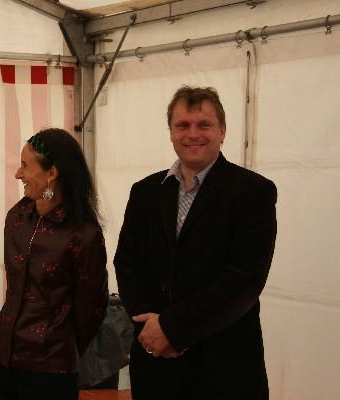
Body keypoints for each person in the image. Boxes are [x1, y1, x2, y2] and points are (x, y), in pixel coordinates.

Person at [114, 86, 277, 399]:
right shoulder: (145, 192)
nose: (193, 134)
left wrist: (172, 329)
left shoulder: (253, 192)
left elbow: (243, 279)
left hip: (224, 367)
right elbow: (127, 263)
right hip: (156, 364)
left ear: (222, 131)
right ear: (171, 132)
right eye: (183, 125)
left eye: (204, 125)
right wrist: (150, 328)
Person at [0, 128, 109, 400]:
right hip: (4, 360)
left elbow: (92, 309)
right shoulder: (17, 217)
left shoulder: (83, 234)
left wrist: (58, 343)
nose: (18, 174)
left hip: (51, 370)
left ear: (51, 173)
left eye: (25, 166)